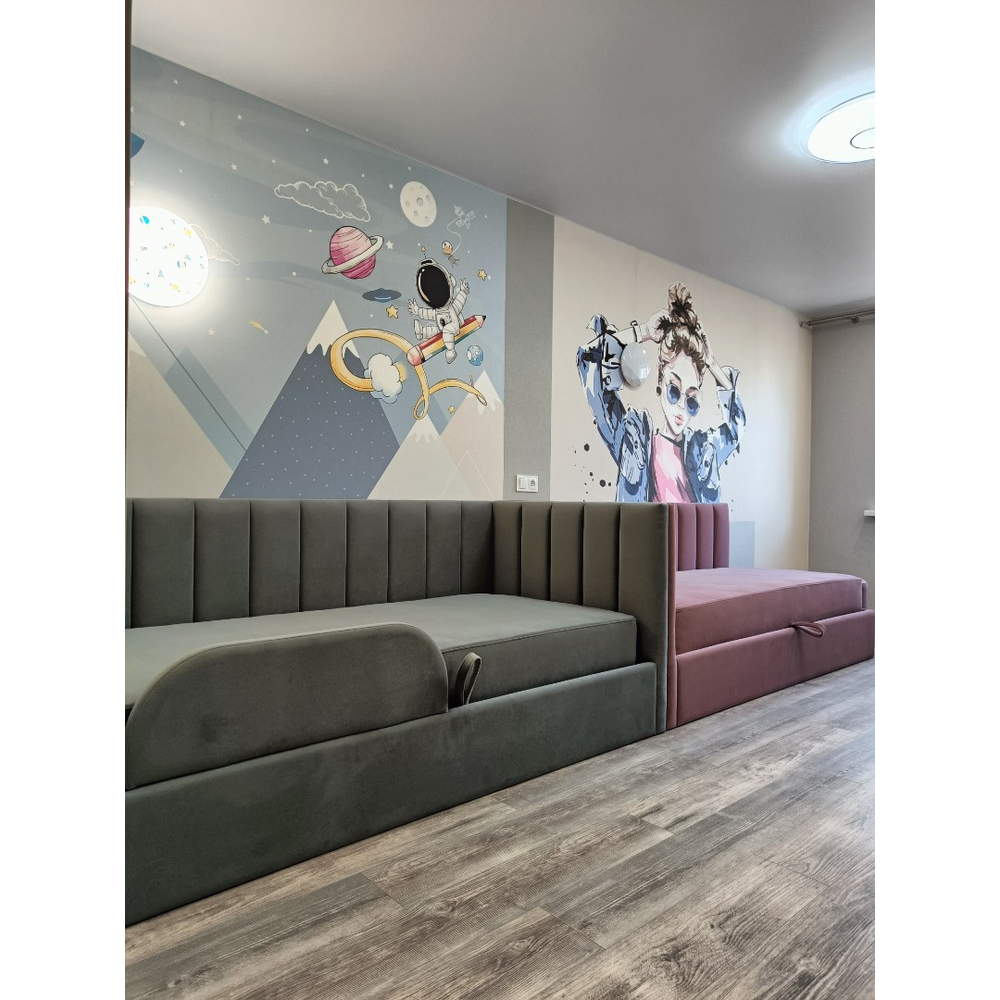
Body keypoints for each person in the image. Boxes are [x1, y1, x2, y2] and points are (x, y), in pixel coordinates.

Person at [577, 282, 745, 503]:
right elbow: (590, 360)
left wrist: (712, 363)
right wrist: (642, 332)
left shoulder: (705, 452)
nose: (681, 407)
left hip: (694, 529)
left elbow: (736, 427)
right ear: (660, 381)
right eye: (674, 391)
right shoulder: (634, 442)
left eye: (692, 401)